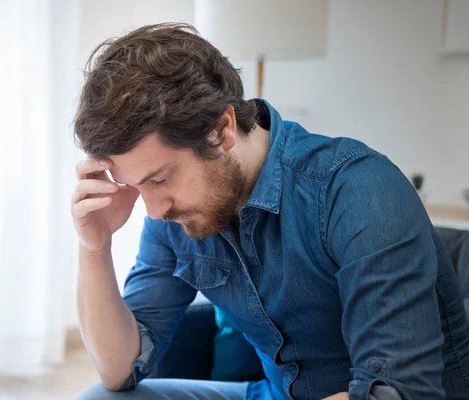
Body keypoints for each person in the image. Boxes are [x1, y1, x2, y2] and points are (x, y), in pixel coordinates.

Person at [71, 23, 469, 400]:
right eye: (135, 185)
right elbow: (120, 370)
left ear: (222, 128)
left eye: (158, 179)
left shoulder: (358, 190)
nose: (154, 211)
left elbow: (395, 390)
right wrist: (94, 246)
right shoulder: (175, 215)